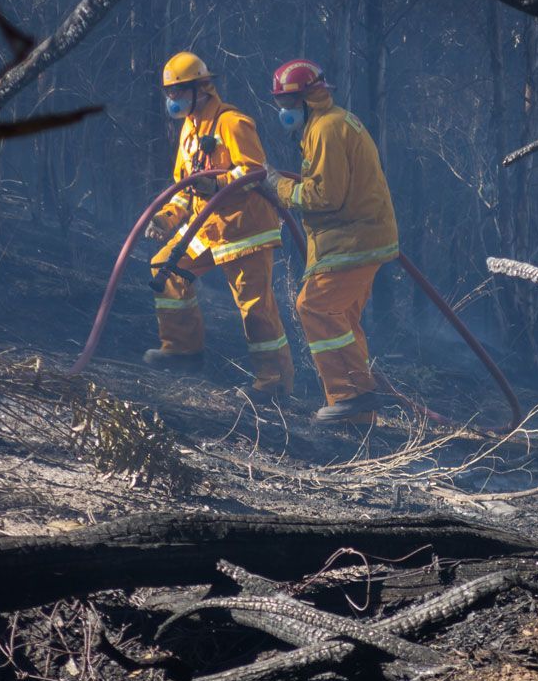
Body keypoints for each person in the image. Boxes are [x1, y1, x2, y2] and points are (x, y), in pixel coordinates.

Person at [144, 51, 293, 398]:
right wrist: (166, 219)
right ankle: (183, 351)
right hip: (207, 229)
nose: (173, 99)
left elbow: (254, 172)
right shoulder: (188, 132)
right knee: (167, 267)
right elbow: (183, 187)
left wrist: (218, 184)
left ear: (202, 88)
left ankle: (273, 383)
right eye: (169, 93)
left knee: (255, 308)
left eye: (179, 91)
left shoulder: (232, 122)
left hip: (244, 231)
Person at [260, 59, 398, 423]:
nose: (284, 112)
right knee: (342, 319)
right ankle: (356, 410)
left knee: (315, 306)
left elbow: (325, 197)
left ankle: (352, 396)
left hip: (351, 241)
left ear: (308, 98)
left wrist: (278, 187)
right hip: (360, 238)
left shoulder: (326, 129)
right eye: (281, 104)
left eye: (288, 104)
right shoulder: (330, 124)